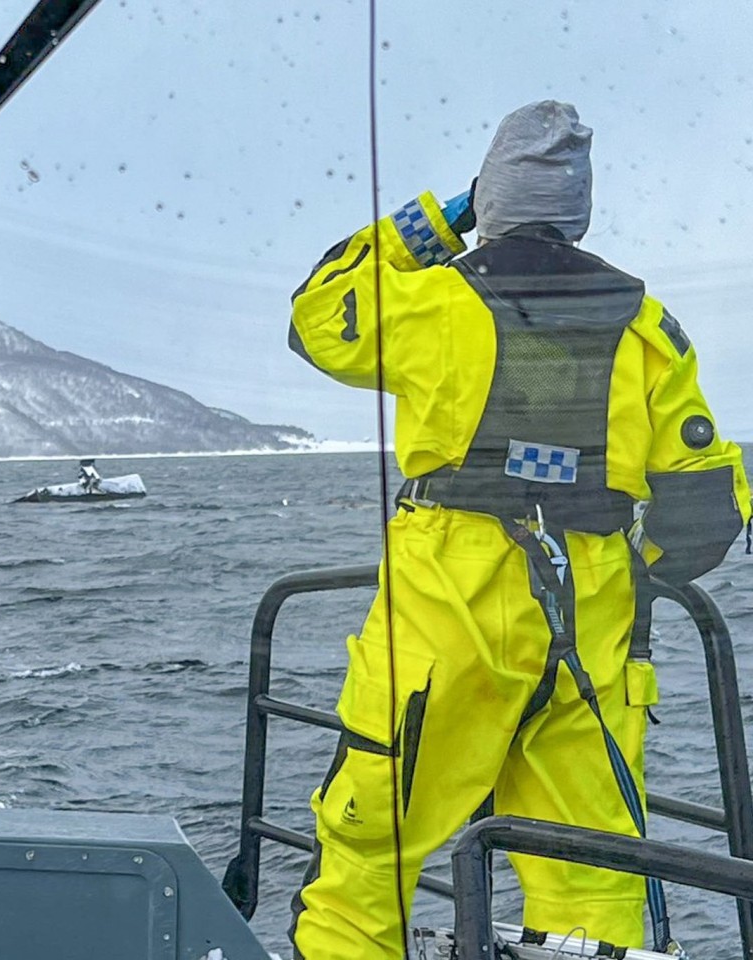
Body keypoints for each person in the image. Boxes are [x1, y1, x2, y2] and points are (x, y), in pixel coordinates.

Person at [285, 100, 749, 957]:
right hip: (591, 619)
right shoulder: (649, 327)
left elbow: (317, 315)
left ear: (493, 200)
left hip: (448, 618)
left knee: (368, 851)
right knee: (592, 871)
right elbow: (706, 513)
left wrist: (443, 217)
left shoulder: (433, 304)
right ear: (581, 208)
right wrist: (622, 566)